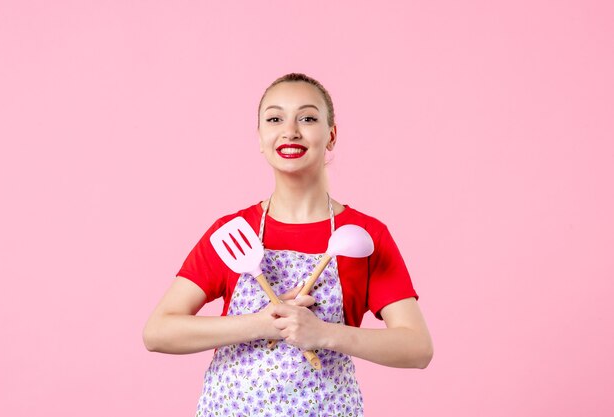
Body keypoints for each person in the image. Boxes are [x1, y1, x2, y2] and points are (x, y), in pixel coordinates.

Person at [143, 73, 433, 416]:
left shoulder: (365, 235)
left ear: (331, 135)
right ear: (261, 138)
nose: (290, 130)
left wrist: (323, 333)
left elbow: (417, 347)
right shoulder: (234, 231)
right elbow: (158, 332)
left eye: (308, 118)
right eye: (275, 118)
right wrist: (262, 323)